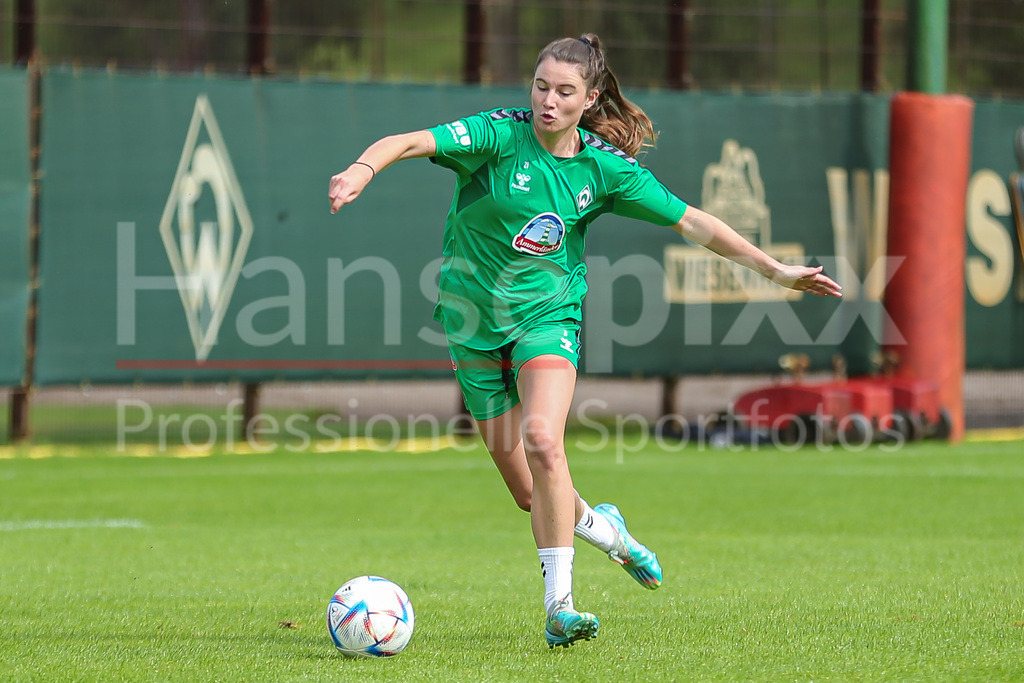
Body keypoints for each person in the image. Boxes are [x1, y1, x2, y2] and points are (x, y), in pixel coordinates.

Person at [328, 33, 843, 649]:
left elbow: (694, 222)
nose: (548, 100)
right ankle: (610, 533)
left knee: (544, 441)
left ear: (590, 97)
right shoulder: (497, 135)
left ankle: (559, 608)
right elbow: (408, 141)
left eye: (564, 91)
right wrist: (362, 169)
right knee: (529, 492)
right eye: (541, 87)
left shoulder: (603, 168)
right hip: (470, 324)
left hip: (548, 317)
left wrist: (778, 272)